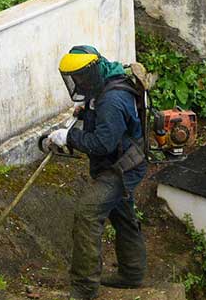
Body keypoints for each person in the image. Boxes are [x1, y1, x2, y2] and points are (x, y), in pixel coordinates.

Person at [44, 45, 147, 300]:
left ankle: (84, 288)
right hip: (120, 160)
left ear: (91, 72)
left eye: (80, 76)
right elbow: (105, 120)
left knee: (88, 213)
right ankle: (132, 274)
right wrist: (87, 112)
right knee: (121, 212)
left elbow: (102, 144)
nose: (77, 82)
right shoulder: (104, 85)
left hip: (122, 167)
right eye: (73, 77)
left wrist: (70, 136)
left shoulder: (111, 100)